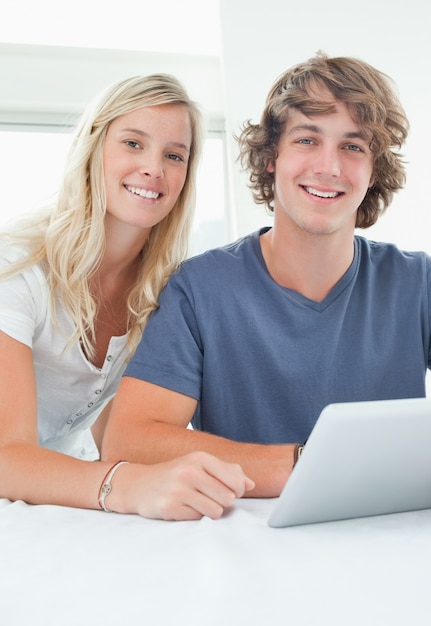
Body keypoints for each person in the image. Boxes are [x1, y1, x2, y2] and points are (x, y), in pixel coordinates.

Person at [102, 51, 431, 499]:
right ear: (271, 157)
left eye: (353, 146)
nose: (329, 166)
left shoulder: (423, 285)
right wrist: (317, 464)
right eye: (307, 140)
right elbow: (129, 440)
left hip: (394, 535)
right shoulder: (199, 289)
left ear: (373, 170)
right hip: (249, 543)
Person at [0, 73, 253, 520]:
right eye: (133, 144)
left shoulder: (165, 293)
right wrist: (127, 485)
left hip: (44, 506)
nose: (154, 168)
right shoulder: (15, 268)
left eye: (174, 155)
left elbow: (117, 435)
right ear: (93, 148)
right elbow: (6, 456)